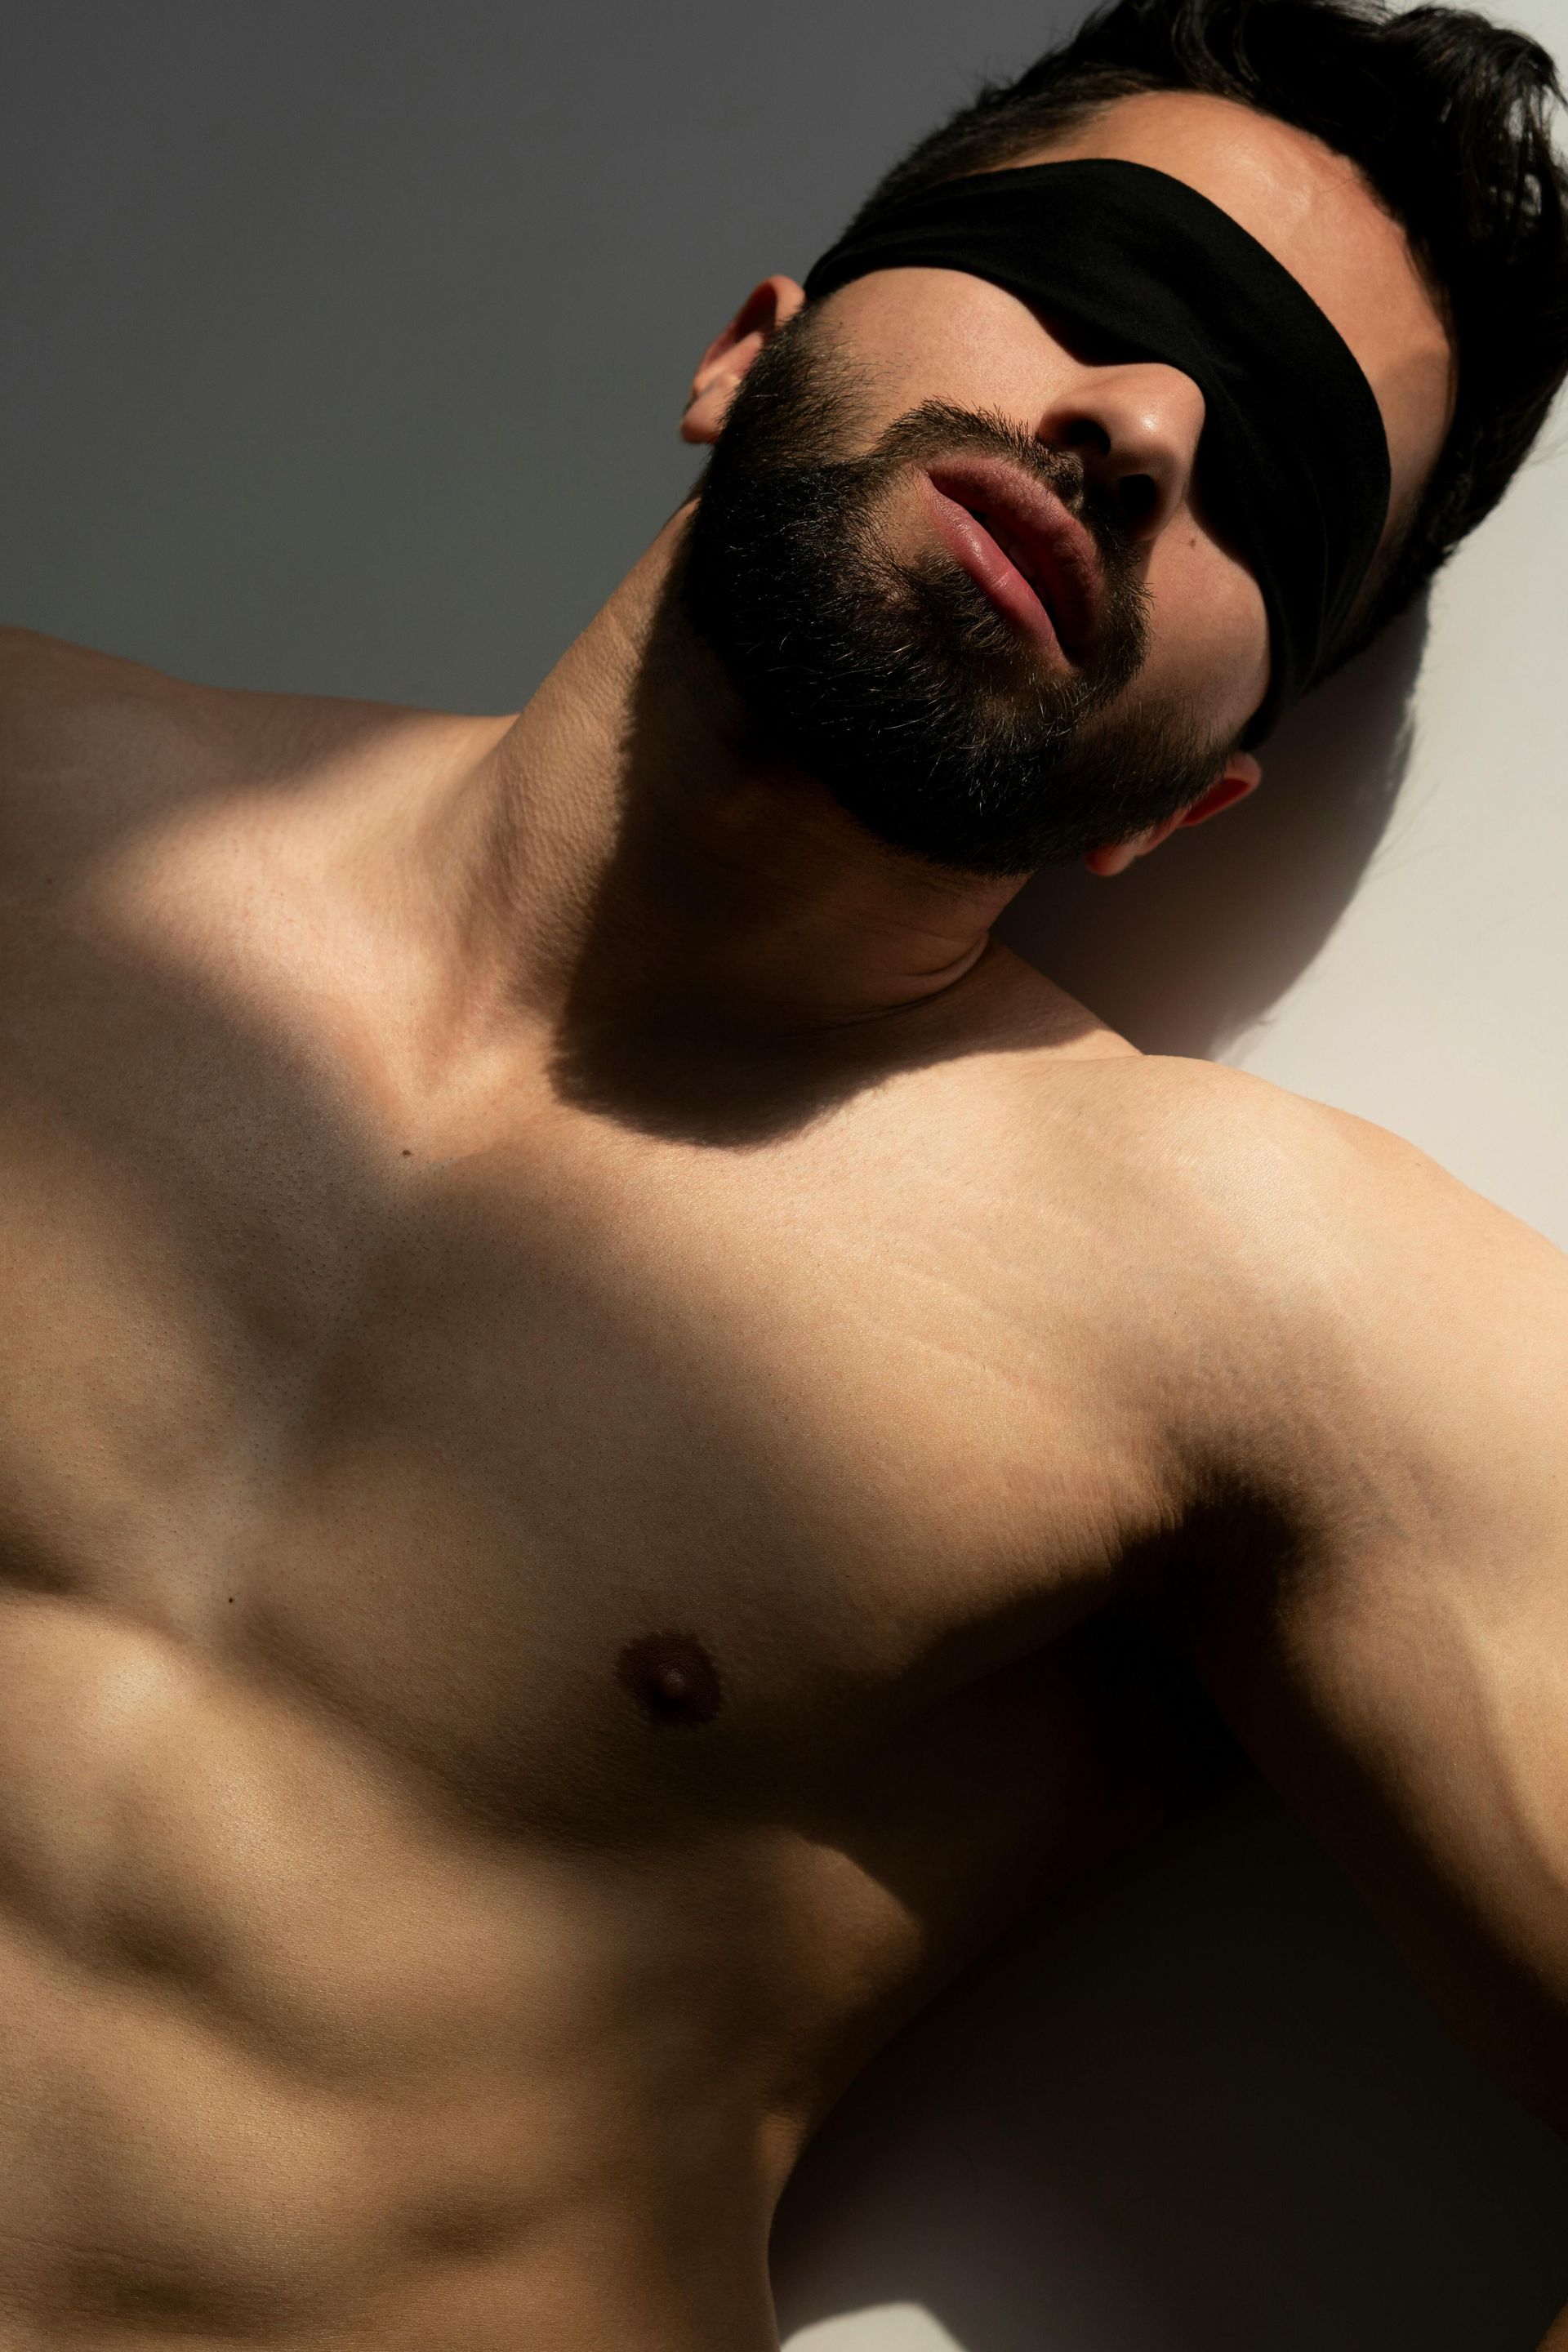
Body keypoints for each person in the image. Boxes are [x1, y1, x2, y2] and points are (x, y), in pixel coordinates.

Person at [2, 0, 1566, 2341]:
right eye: (1124, 288)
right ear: (754, 348)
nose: (1142, 423)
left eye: (1282, 486)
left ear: (1190, 799)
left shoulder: (1247, 1303)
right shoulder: (32, 824)